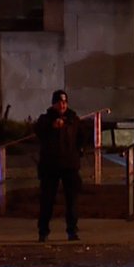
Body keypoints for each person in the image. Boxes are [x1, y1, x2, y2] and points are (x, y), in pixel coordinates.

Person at [35, 89, 87, 242]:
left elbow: (82, 137)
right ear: (54, 104)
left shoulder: (73, 119)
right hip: (50, 166)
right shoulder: (45, 119)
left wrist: (79, 151)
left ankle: (72, 230)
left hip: (69, 166)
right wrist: (52, 127)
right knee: (47, 200)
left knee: (72, 201)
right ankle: (43, 231)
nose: (62, 105)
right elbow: (39, 132)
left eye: (64, 102)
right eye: (59, 102)